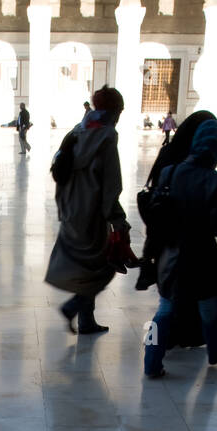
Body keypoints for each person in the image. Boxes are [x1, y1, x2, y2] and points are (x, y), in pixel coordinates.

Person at [143, 118, 217, 379]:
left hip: (170, 253)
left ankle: (151, 360)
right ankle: (216, 351)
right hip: (201, 257)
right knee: (209, 309)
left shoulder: (169, 172)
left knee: (164, 309)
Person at [44, 85, 133, 336]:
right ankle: (74, 307)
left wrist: (64, 207)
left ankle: (87, 320)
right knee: (104, 268)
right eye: (119, 111)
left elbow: (59, 172)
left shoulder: (76, 132)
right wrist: (118, 218)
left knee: (86, 269)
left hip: (72, 211)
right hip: (93, 215)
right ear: (114, 110)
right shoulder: (107, 138)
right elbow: (111, 185)